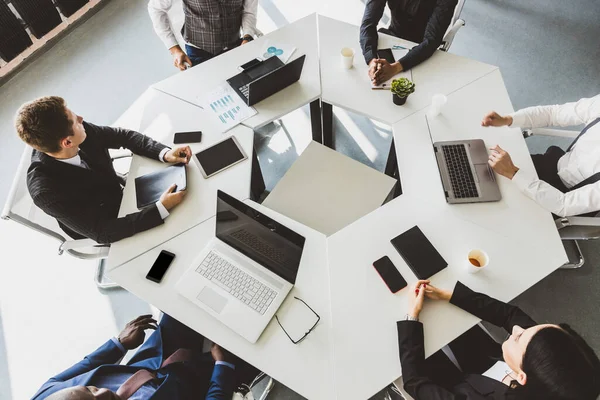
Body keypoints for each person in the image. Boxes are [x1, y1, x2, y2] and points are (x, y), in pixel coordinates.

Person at [15, 96, 192, 244]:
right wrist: (161, 208)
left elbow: (122, 136)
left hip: (120, 192)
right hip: (109, 221)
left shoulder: (76, 132)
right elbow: (103, 232)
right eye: (75, 120)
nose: (81, 118)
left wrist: (165, 153)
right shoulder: (45, 192)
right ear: (67, 143)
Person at [398, 279, 600, 399]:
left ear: (522, 376)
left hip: (448, 386)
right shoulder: (544, 357)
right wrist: (449, 295)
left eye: (519, 336)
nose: (518, 329)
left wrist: (411, 317)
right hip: (481, 356)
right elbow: (509, 315)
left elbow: (415, 382)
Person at [33, 314, 259, 399]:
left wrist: (119, 344)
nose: (103, 393)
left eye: (90, 390)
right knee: (262, 349)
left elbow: (87, 366)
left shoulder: (47, 394)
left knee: (189, 297)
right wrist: (223, 365)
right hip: (202, 383)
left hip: (156, 356)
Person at [483, 94, 600, 217]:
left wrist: (513, 173)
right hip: (557, 164)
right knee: (481, 170)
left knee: (497, 216)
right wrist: (508, 119)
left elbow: (565, 204)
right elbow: (553, 113)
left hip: (562, 199)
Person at [359, 0, 458, 86]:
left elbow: (431, 40)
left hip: (421, 48)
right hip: (392, 36)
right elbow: (368, 23)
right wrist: (372, 60)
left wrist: (396, 67)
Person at [148, 0, 259, 71]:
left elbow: (249, 11)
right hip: (198, 50)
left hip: (236, 45)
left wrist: (247, 37)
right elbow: (156, 9)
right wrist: (174, 49)